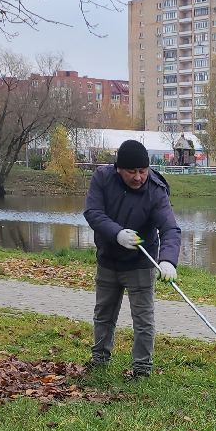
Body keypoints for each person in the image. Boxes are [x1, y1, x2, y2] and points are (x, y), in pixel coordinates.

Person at [83, 139, 181, 378]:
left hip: (140, 263)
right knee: (103, 313)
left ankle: (142, 370)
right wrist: (116, 233)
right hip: (108, 258)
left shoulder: (155, 191)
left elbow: (170, 229)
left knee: (143, 319)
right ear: (119, 169)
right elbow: (93, 213)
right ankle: (100, 359)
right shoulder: (102, 178)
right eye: (132, 171)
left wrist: (168, 260)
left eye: (143, 171)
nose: (138, 177)